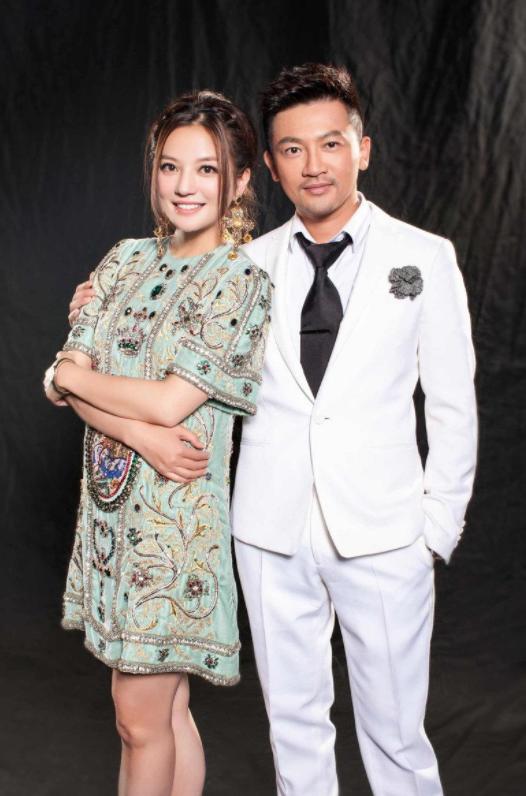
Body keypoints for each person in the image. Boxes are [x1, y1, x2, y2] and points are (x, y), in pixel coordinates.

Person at [69, 63, 478, 796]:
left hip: (386, 533)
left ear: (363, 150)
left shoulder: (423, 257)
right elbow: (155, 326)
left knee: (395, 734)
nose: (313, 164)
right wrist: (98, 300)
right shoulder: (241, 266)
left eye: (330, 144)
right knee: (292, 726)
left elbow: (452, 405)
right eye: (293, 149)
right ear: (271, 165)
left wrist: (434, 531)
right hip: (268, 531)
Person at [44, 90, 271, 796]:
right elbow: (60, 375)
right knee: (164, 714)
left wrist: (77, 382)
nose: (183, 186)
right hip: (111, 524)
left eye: (207, 170)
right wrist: (137, 431)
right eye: (170, 166)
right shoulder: (124, 260)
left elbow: (172, 400)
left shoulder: (240, 281)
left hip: (174, 531)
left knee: (139, 718)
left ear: (239, 181)